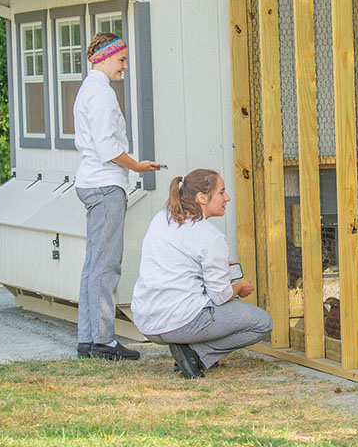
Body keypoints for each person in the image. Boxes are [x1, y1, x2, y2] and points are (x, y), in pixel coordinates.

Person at [131, 169, 273, 378]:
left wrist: (218, 266)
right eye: (222, 192)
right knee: (263, 323)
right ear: (202, 198)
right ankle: (196, 355)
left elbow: (180, 263)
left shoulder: (162, 218)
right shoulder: (210, 236)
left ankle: (189, 349)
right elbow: (221, 296)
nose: (227, 198)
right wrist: (240, 287)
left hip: (146, 320)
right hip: (180, 321)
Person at [74, 32, 159, 361]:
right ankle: (104, 342)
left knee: (93, 265)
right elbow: (108, 148)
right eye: (121, 60)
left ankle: (88, 340)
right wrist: (137, 165)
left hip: (91, 182)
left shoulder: (88, 89)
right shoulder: (101, 94)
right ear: (105, 58)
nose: (125, 67)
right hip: (105, 185)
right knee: (106, 266)